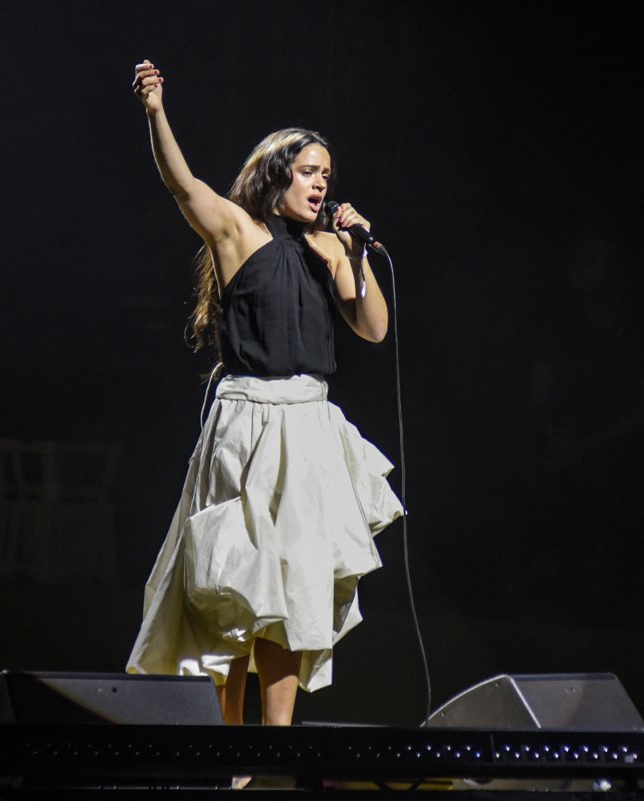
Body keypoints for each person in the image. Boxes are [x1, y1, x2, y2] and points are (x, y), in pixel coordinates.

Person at [125, 59, 403, 726]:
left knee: (293, 584)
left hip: (308, 423)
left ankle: (274, 741)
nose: (321, 183)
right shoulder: (239, 231)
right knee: (237, 582)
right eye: (309, 171)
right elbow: (182, 185)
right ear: (278, 174)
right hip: (248, 420)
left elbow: (372, 328)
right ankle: (231, 746)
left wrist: (356, 252)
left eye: (327, 174)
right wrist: (156, 112)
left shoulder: (330, 248)